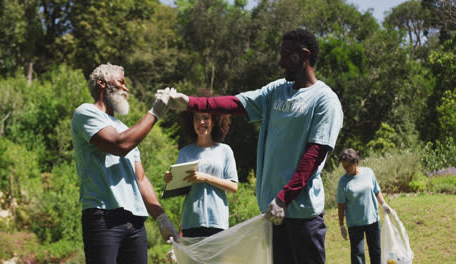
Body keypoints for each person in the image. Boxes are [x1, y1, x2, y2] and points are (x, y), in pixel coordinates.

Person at [160, 28, 343, 264]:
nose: (280, 62)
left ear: (304, 55)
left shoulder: (324, 100)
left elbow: (313, 156)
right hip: (273, 215)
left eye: (286, 55)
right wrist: (190, 102)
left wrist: (284, 198)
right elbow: (237, 102)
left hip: (301, 215)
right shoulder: (277, 91)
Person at [71, 63, 179, 264]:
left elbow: (140, 178)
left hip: (135, 223)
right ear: (102, 84)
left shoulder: (124, 128)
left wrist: (161, 218)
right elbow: (120, 145)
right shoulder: (85, 113)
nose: (126, 88)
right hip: (104, 219)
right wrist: (155, 112)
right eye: (121, 82)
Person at [164, 110, 238, 238]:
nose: (201, 122)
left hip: (218, 221)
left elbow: (233, 187)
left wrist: (205, 178)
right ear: (191, 123)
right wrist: (171, 180)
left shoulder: (225, 150)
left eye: (205, 118)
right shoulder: (184, 152)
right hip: (191, 222)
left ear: (214, 121)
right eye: (197, 119)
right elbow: (181, 191)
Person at [336, 148, 395, 264]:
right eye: (344, 166)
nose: (345, 169)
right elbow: (341, 205)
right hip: (355, 224)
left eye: (348, 166)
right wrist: (341, 225)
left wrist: (384, 204)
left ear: (355, 162)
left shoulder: (368, 172)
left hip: (372, 219)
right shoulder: (343, 182)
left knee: (376, 251)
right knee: (358, 254)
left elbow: (376, 190)